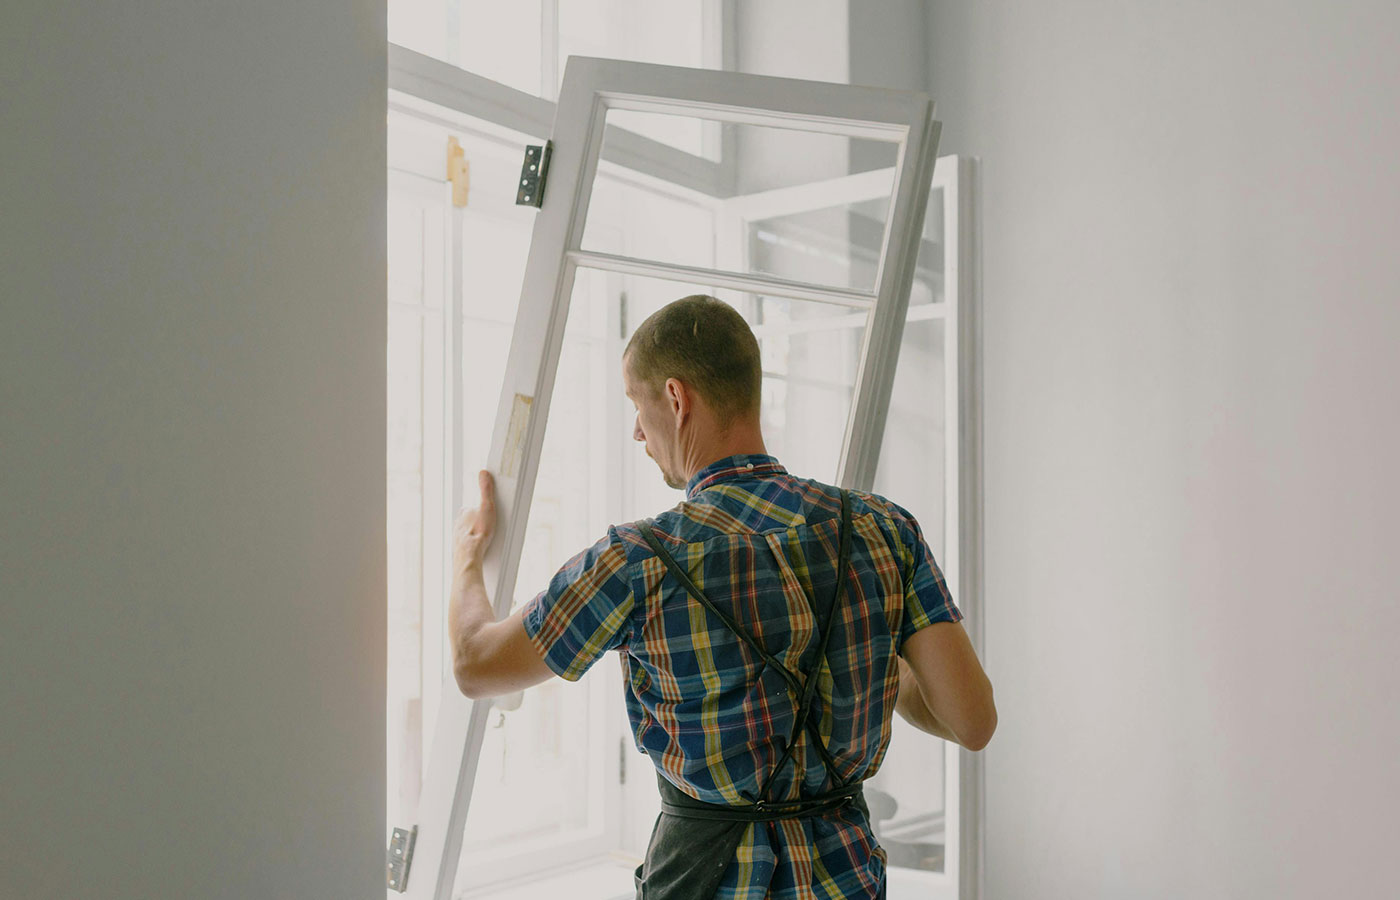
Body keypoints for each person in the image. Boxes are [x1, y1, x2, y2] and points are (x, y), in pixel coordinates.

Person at [448, 295, 996, 900]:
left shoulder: (638, 560)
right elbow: (971, 721)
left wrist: (466, 558)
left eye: (637, 402)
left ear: (677, 399)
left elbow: (475, 664)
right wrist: (851, 646)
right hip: (847, 880)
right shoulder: (882, 529)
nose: (636, 430)